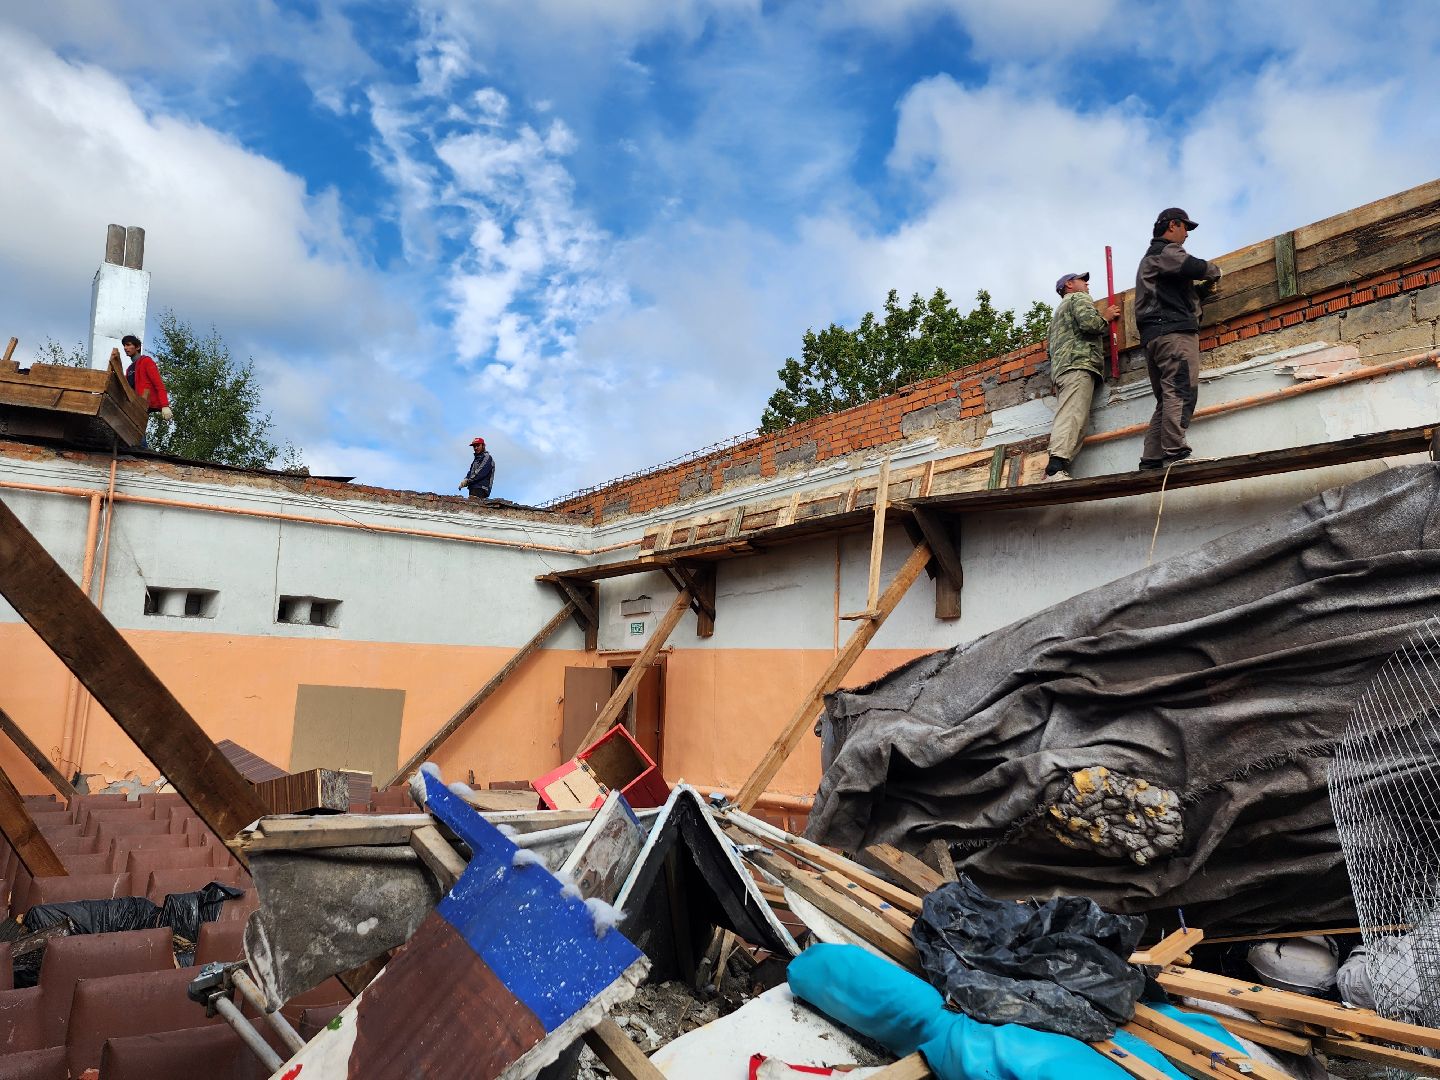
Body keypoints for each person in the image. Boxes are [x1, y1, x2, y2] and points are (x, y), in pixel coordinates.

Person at [1134, 208, 1222, 470]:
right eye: (1185, 228)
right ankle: (1175, 453)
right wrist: (1215, 272)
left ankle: (1151, 460)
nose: (1186, 234)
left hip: (1155, 337)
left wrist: (1199, 294)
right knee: (1181, 390)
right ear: (1173, 225)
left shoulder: (1153, 261)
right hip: (1173, 334)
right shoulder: (1166, 251)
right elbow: (1195, 267)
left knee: (1167, 397)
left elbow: (1174, 292)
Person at [1044, 271, 1119, 482]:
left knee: (1073, 415)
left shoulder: (1056, 316)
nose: (1087, 284)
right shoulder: (1078, 298)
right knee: (1073, 415)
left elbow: (1049, 351)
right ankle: (1055, 468)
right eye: (1082, 280)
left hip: (1062, 370)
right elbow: (1089, 324)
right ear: (1069, 285)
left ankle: (1058, 466)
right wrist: (1106, 317)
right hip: (1078, 365)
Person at [120, 334, 172, 449]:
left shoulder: (147, 362)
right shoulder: (129, 369)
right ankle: (139, 450)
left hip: (144, 402)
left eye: (128, 345)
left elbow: (158, 383)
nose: (125, 348)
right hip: (134, 404)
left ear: (137, 347)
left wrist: (165, 405)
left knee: (138, 429)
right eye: (124, 345)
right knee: (133, 429)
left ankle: (143, 452)